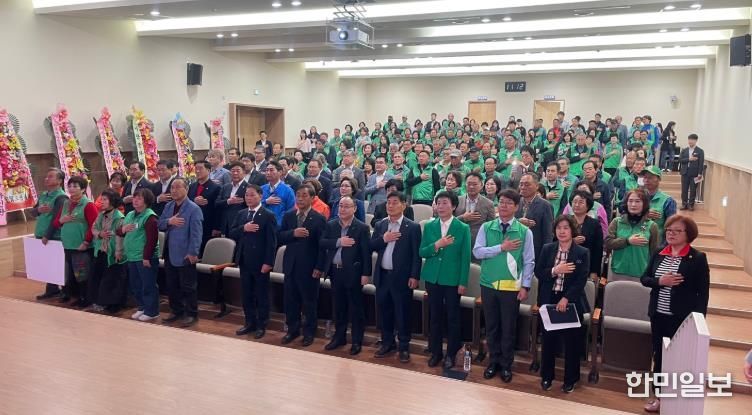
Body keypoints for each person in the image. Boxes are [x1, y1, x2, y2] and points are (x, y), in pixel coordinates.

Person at [640, 215, 709, 413]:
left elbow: (703, 293)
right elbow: (644, 278)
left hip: (682, 318)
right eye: (669, 230)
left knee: (679, 359)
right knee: (659, 356)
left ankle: (676, 398)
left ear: (688, 234)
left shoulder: (697, 258)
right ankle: (659, 396)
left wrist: (698, 320)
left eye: (677, 231)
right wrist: (659, 281)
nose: (671, 234)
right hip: (658, 314)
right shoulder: (659, 253)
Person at [473, 189, 535, 384]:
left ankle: (506, 365)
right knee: (491, 327)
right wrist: (501, 248)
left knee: (508, 328)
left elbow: (529, 261)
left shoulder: (524, 231)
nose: (504, 205)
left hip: (511, 287)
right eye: (501, 202)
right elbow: (478, 252)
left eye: (509, 202)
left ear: (516, 207)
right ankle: (493, 362)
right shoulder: (487, 227)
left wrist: (525, 286)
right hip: (488, 284)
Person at [536, 216, 591, 393]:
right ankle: (547, 376)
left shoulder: (582, 252)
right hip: (549, 299)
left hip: (571, 301)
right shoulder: (547, 248)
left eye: (566, 228)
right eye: (558, 228)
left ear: (572, 230)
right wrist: (555, 270)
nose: (562, 231)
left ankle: (570, 379)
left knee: (572, 343)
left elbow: (581, 280)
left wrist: (566, 298)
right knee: (548, 341)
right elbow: (539, 272)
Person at [420, 191, 471, 369]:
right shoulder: (429, 226)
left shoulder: (462, 228)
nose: (440, 207)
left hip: (452, 279)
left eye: (445, 203)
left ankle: (451, 354)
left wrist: (463, 282)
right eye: (438, 203)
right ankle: (436, 352)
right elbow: (422, 251)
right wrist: (436, 245)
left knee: (453, 318)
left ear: (454, 206)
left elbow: (465, 258)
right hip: (432, 278)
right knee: (434, 316)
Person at [370, 191, 422, 363]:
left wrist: (414, 276)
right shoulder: (380, 225)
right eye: (388, 202)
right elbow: (371, 246)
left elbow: (416, 255)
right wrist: (383, 239)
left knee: (403, 313)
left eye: (394, 202)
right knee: (385, 312)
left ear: (403, 205)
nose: (390, 206)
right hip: (383, 276)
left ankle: (404, 347)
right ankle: (387, 343)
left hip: (402, 278)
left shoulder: (412, 227)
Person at [319, 196, 372, 356]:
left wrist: (366, 273)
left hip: (354, 273)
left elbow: (366, 253)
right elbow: (322, 242)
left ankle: (356, 341)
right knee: (338, 307)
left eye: (346, 206)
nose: (342, 209)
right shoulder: (331, 224)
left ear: (354, 208)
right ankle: (339, 337)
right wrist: (338, 242)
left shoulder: (362, 227)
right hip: (335, 272)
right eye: (341, 206)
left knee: (355, 309)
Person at [278, 185, 327, 347]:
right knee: (290, 301)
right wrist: (293, 233)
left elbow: (322, 247)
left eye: (304, 195)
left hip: (309, 268)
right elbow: (279, 236)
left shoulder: (319, 219)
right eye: (298, 195)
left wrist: (319, 267)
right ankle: (292, 330)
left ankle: (309, 333)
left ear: (312, 198)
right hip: (291, 266)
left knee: (309, 302)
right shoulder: (289, 216)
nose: (300, 198)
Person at [231, 184, 278, 340]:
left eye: (252, 195)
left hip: (260, 262)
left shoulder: (268, 215)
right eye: (246, 195)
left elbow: (272, 242)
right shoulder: (241, 214)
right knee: (247, 294)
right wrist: (243, 228)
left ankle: (261, 325)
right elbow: (232, 233)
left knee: (261, 294)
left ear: (260, 196)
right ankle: (249, 322)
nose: (249, 198)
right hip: (244, 260)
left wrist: (268, 262)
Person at [159, 178, 203, 328]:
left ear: (187, 189)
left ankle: (191, 313)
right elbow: (160, 224)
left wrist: (193, 252)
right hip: (169, 251)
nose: (174, 190)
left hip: (186, 253)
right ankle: (176, 310)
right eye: (172, 187)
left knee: (188, 286)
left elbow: (197, 234)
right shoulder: (169, 206)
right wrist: (169, 222)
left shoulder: (194, 209)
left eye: (178, 187)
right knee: (172, 284)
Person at [52, 176, 98, 307]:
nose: (71, 189)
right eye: (70, 186)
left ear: (83, 189)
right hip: (68, 245)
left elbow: (94, 225)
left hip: (81, 246)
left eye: (75, 186)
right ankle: (75, 296)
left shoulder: (88, 205)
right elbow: (56, 223)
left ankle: (86, 298)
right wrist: (62, 220)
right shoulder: (66, 203)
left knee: (82, 274)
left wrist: (86, 242)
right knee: (71, 273)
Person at [119, 188, 160, 322]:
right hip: (131, 256)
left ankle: (152, 311)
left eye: (139, 198)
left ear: (146, 201)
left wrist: (146, 257)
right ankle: (142, 307)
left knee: (148, 284)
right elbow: (119, 231)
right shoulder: (130, 214)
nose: (135, 200)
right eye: (134, 197)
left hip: (145, 257)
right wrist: (123, 229)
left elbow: (152, 240)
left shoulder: (150, 217)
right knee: (136, 284)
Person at [606, 189, 660, 282]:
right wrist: (627, 241)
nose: (633, 204)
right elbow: (608, 243)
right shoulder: (617, 222)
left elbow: (654, 253)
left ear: (644, 204)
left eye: (637, 201)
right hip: (618, 272)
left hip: (641, 274)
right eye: (630, 201)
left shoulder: (652, 226)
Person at [88, 189, 127, 313]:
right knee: (97, 276)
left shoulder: (119, 217)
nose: (102, 202)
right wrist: (99, 234)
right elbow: (94, 228)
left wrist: (118, 251)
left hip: (113, 252)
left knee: (112, 280)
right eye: (101, 199)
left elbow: (120, 236)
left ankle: (113, 304)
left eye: (105, 199)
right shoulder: (101, 214)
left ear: (112, 201)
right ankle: (100, 301)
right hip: (101, 250)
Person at [32, 168, 68, 300]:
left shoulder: (61, 197)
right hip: (41, 235)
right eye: (46, 176)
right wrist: (38, 210)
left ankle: (66, 291)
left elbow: (57, 219)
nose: (46, 179)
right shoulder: (43, 195)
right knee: (48, 264)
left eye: (50, 176)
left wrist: (47, 235)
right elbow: (33, 212)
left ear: (59, 181)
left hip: (54, 237)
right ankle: (52, 289)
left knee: (59, 265)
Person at [516, 173, 554, 261]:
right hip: (516, 249)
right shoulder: (516, 202)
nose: (523, 187)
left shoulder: (545, 205)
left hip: (535, 251)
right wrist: (518, 222)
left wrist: (545, 255)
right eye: (521, 184)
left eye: (527, 184)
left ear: (536, 186)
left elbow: (548, 234)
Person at [188, 160, 221, 255]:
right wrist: (194, 200)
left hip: (207, 224)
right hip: (192, 223)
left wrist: (216, 227)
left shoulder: (216, 187)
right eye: (196, 169)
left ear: (208, 170)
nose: (197, 171)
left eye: (200, 168)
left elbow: (218, 209)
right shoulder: (191, 186)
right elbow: (186, 202)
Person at [569, 191, 603, 280]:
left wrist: (594, 271)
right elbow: (555, 242)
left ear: (588, 206)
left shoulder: (595, 224)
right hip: (566, 264)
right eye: (574, 202)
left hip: (586, 265)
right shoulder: (565, 221)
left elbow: (598, 250)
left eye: (581, 202)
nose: (577, 205)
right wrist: (571, 241)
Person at [455, 172, 496, 248]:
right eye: (469, 184)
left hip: (478, 243)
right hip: (457, 241)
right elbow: (449, 221)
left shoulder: (489, 204)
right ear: (465, 185)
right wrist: (462, 218)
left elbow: (491, 226)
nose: (471, 187)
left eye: (475, 184)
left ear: (481, 185)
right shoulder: (457, 200)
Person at [641, 166, 677, 239]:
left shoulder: (668, 201)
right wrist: (643, 214)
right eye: (645, 177)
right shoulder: (638, 197)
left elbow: (671, 226)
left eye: (650, 177)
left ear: (659, 179)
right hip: (638, 240)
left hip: (658, 241)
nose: (647, 180)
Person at [215, 162, 248, 236]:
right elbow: (217, 203)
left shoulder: (248, 187)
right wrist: (228, 201)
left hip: (240, 224)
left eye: (238, 171)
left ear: (244, 172)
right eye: (233, 171)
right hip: (225, 224)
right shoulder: (225, 187)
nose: (235, 173)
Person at [261, 160, 296, 226]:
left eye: (271, 170)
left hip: (279, 226)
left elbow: (291, 210)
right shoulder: (262, 189)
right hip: (262, 225)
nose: (268, 173)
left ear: (280, 172)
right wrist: (266, 201)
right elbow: (255, 206)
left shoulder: (288, 190)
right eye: (267, 170)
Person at [678, 133, 704, 211]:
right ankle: (684, 204)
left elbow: (701, 163)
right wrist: (689, 159)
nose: (690, 141)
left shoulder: (700, 151)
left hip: (695, 174)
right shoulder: (684, 150)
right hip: (685, 172)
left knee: (693, 190)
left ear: (696, 141)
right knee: (684, 189)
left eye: (692, 140)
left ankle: (691, 205)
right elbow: (680, 160)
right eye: (689, 139)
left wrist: (700, 173)